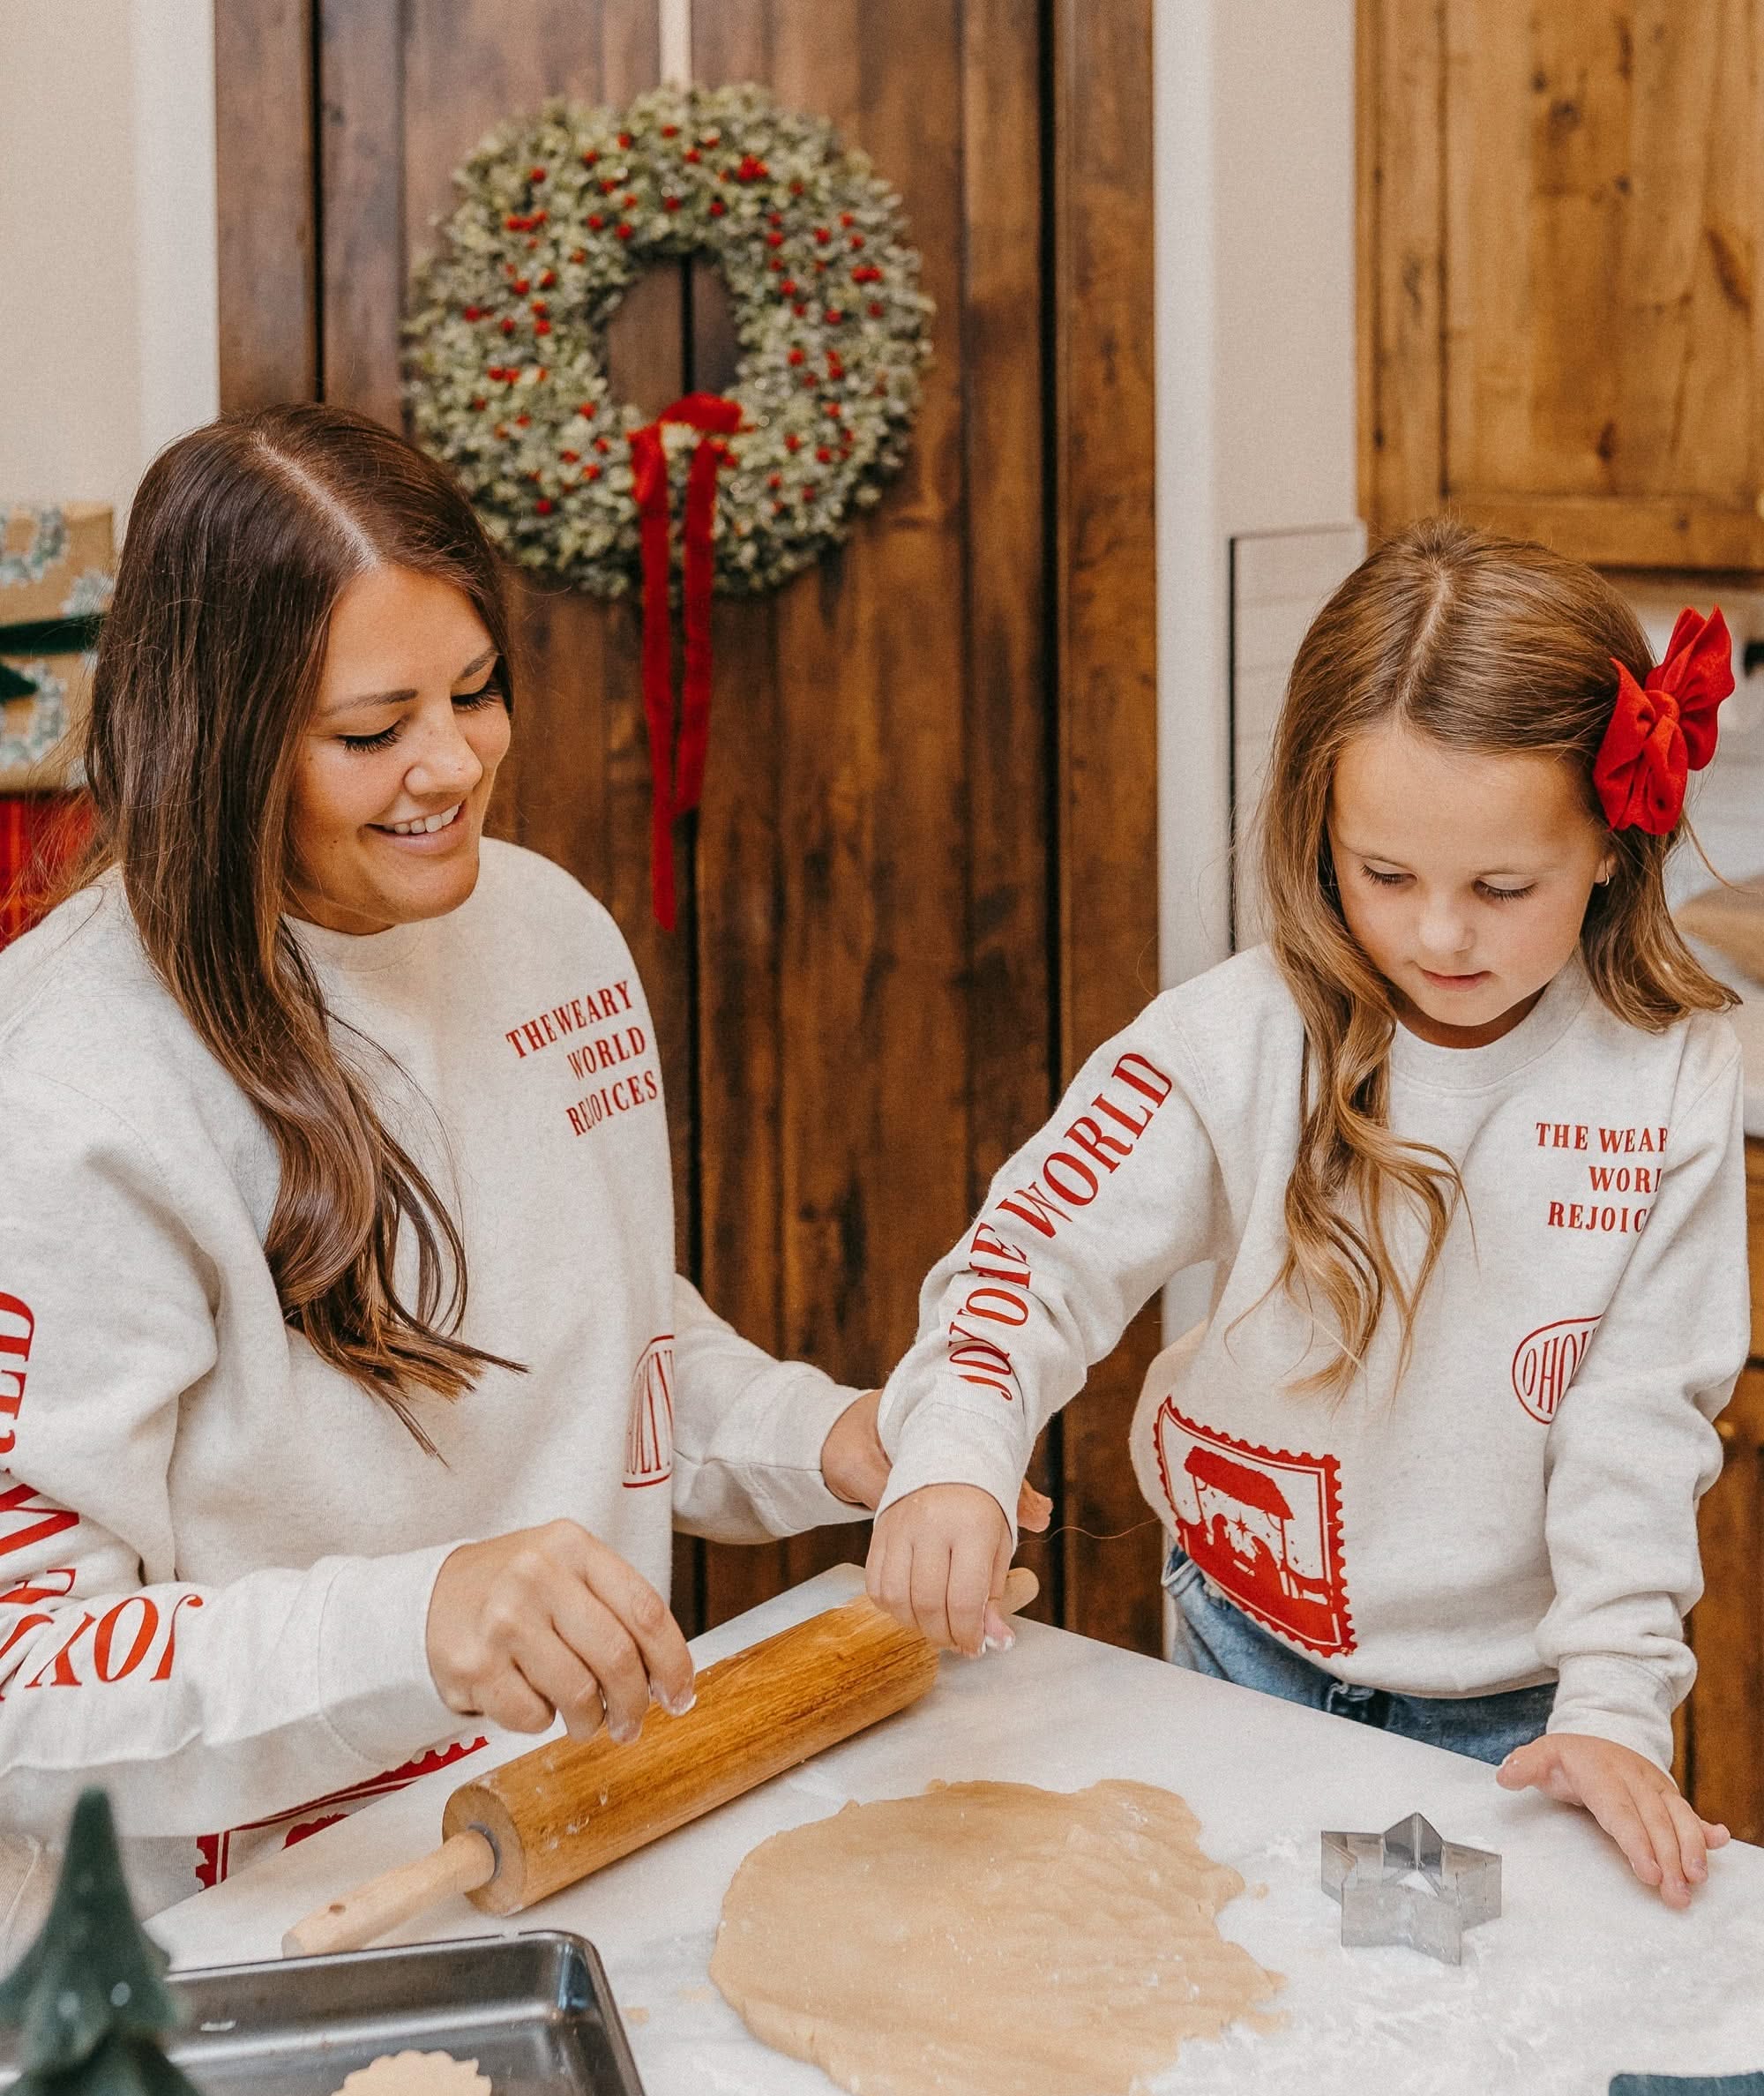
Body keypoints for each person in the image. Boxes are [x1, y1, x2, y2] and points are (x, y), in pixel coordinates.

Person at [0, 402, 1045, 1947]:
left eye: (478, 693)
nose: (454, 765)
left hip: (576, 1823)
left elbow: (602, 1337)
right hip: (244, 1928)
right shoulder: (71, 1090)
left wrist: (824, 1438)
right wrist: (418, 1618)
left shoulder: (550, 932)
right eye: (372, 731)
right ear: (212, 740)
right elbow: (26, 1679)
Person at [865, 518, 1746, 1909]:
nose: (1439, 937)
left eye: (1501, 888)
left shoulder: (1672, 1078)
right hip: (1243, 1647)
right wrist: (959, 1444)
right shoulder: (1235, 1036)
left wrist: (1618, 1707)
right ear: (1315, 829)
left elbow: (1638, 1426)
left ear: (1611, 849)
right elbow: (1031, 1249)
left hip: (1522, 1710)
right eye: (1383, 875)